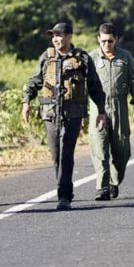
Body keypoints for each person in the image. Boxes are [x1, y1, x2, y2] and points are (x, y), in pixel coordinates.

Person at [22, 22, 107, 211]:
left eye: (59, 35)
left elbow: (94, 86)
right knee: (56, 156)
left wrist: (101, 111)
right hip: (50, 113)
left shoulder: (82, 57)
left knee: (66, 154)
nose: (55, 39)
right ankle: (63, 189)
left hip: (73, 113)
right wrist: (26, 101)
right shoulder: (47, 57)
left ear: (69, 37)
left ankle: (64, 196)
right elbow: (36, 81)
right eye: (53, 36)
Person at [88, 23, 134, 201]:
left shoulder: (125, 58)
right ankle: (101, 187)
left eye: (110, 41)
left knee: (122, 151)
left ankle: (114, 181)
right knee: (100, 149)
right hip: (97, 108)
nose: (106, 45)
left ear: (116, 40)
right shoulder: (91, 58)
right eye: (103, 41)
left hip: (119, 106)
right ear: (98, 39)